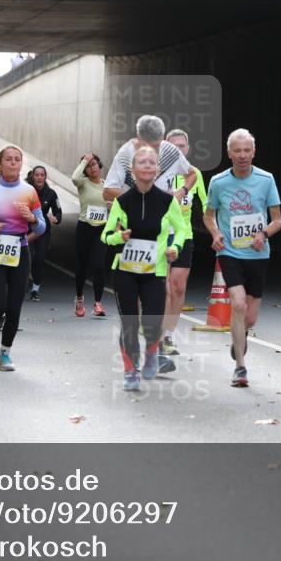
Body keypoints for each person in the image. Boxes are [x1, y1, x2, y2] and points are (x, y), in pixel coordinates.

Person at [203, 128, 281, 387]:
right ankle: (240, 367)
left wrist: (263, 234)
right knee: (237, 304)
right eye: (237, 151)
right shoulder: (218, 182)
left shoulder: (266, 179)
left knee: (249, 317)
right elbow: (208, 215)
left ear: (254, 152)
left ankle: (241, 335)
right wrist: (215, 234)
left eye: (247, 150)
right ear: (229, 154)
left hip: (258, 254)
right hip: (230, 252)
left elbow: (278, 220)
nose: (242, 155)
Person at [103, 146, 186, 391]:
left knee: (152, 321)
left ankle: (151, 352)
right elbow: (107, 235)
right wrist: (120, 237)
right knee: (129, 322)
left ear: (158, 169)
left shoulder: (167, 201)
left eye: (152, 162)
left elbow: (180, 229)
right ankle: (130, 371)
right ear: (133, 170)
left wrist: (176, 247)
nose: (148, 166)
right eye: (142, 162)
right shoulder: (122, 201)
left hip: (155, 271)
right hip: (125, 271)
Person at [0, 145, 46, 371]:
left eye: (17, 159)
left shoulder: (29, 192)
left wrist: (32, 220)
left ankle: (5, 355)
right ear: (1, 164)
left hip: (20, 252)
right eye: (9, 159)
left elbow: (42, 227)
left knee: (14, 308)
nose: (13, 163)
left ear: (21, 164)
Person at [160, 129, 207, 359]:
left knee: (178, 288)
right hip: (159, 236)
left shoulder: (194, 174)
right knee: (163, 288)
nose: (178, 149)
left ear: (188, 149)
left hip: (183, 236)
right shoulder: (157, 171)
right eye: (173, 146)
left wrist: (218, 231)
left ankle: (168, 335)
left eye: (182, 146)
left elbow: (207, 206)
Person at [103, 115, 197, 202]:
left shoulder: (171, 151)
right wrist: (144, 198)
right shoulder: (125, 154)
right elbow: (107, 192)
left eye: (156, 146)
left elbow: (192, 174)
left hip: (165, 217)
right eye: (146, 146)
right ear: (138, 137)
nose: (150, 151)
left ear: (162, 138)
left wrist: (181, 192)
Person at [71, 153, 108, 317]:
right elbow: (74, 177)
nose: (91, 168)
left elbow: (116, 204)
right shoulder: (82, 183)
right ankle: (79, 299)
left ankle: (98, 303)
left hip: (101, 228)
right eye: (88, 166)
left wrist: (111, 205)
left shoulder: (107, 185)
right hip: (85, 227)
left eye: (94, 164)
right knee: (82, 266)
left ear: (99, 166)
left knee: (99, 264)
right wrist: (85, 159)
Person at [25, 165, 62, 302]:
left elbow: (58, 211)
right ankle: (25, 278)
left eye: (42, 175)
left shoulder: (51, 193)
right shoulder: (26, 191)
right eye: (37, 175)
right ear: (33, 177)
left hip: (42, 229)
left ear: (45, 177)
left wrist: (56, 218)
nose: (39, 177)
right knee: (26, 257)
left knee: (39, 259)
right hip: (26, 227)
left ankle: (35, 290)